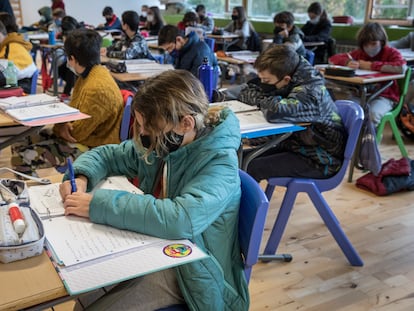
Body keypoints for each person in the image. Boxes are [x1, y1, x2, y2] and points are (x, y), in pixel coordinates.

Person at [58, 69, 249, 311]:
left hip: (192, 267)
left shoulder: (219, 163)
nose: (144, 134)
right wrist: (83, 175)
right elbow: (110, 155)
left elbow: (180, 219)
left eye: (149, 127)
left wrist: (97, 204)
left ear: (186, 123)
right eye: (140, 125)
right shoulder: (167, 142)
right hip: (154, 245)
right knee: (85, 292)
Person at [221, 45, 347, 182]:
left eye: (267, 81)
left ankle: (249, 203)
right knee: (240, 160)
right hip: (296, 146)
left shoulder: (311, 93)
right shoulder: (288, 77)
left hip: (321, 159)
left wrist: (263, 100)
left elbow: (275, 112)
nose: (263, 84)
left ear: (286, 79)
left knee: (251, 167)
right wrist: (267, 100)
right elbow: (247, 92)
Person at [11, 28, 123, 175]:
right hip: (85, 137)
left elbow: (76, 134)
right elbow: (73, 113)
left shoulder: (97, 88)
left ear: (72, 59)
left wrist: (60, 126)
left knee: (20, 158)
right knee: (19, 141)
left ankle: (32, 195)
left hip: (94, 147)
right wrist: (63, 124)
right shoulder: (89, 75)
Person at [328, 22, 406, 126]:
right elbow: (333, 59)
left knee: (372, 114)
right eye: (365, 44)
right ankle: (351, 140)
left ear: (382, 42)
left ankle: (369, 141)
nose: (369, 47)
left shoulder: (391, 52)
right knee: (348, 111)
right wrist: (347, 62)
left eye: (374, 43)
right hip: (361, 95)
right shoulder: (360, 53)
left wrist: (371, 65)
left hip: (385, 96)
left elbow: (401, 67)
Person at [0, 13, 37, 94]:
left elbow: (7, 73)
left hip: (20, 86)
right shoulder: (14, 40)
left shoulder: (10, 46)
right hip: (19, 82)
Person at [56, 15, 82, 98]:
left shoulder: (80, 35)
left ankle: (67, 92)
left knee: (71, 69)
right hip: (73, 58)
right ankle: (70, 89)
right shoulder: (69, 33)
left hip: (82, 61)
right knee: (60, 68)